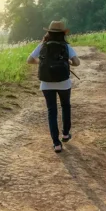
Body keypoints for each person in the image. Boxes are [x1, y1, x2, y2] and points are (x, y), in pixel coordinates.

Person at [26, 20, 81, 153]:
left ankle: (56, 143)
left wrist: (42, 61)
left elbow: (29, 60)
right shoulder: (66, 46)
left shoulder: (42, 45)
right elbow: (77, 63)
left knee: (52, 111)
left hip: (46, 83)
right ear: (63, 33)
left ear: (49, 32)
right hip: (64, 83)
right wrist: (67, 62)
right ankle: (66, 134)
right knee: (65, 106)